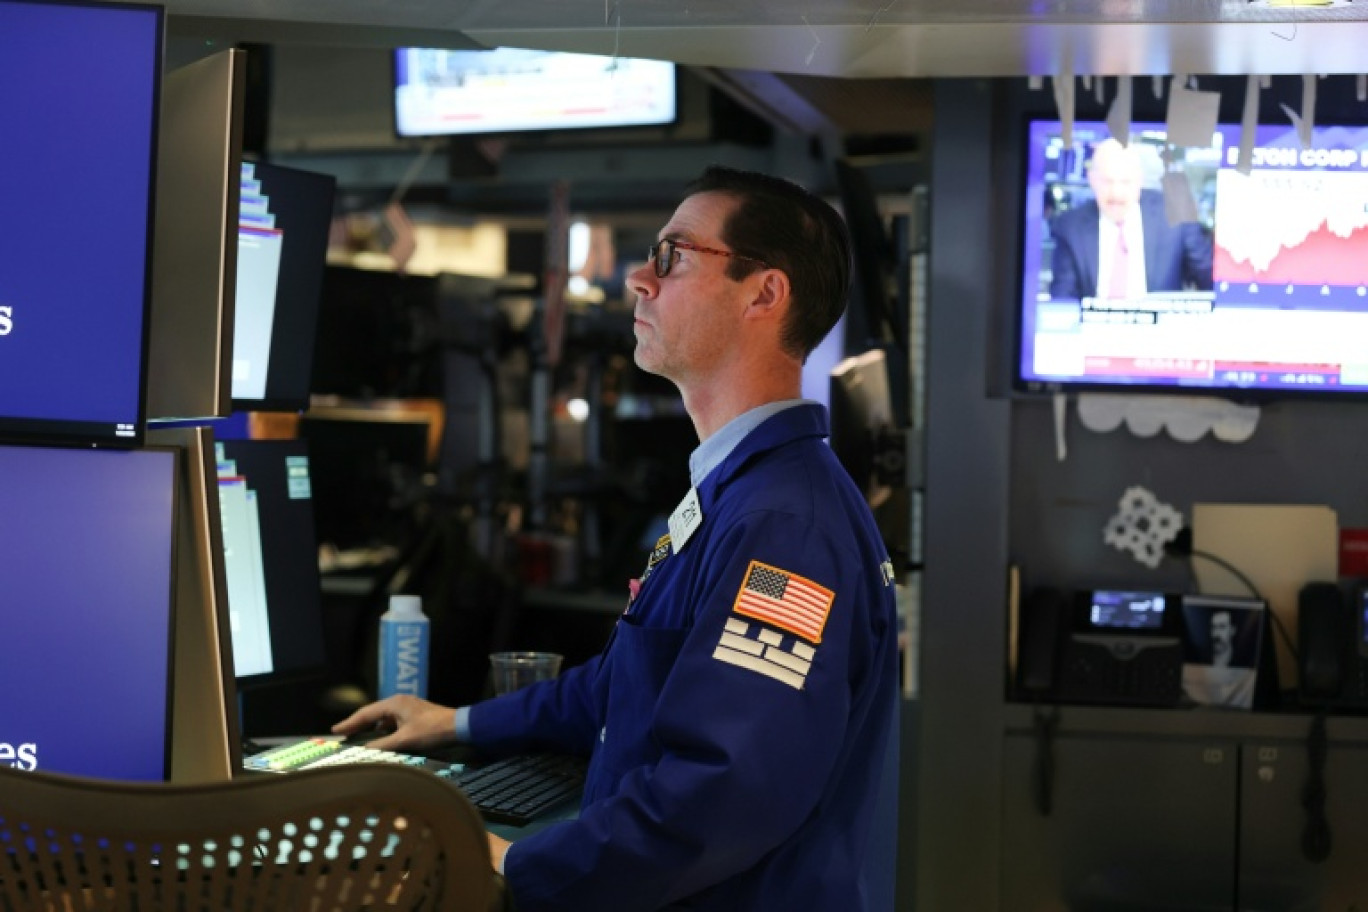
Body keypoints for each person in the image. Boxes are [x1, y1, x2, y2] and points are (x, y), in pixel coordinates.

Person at [334, 165, 902, 911]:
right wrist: (457, 721)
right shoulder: (737, 493)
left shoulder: (783, 529)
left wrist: (518, 859)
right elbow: (625, 682)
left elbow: (724, 794)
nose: (639, 278)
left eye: (673, 255)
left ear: (764, 292)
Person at [1049, 137, 1213, 301]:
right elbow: (1063, 302)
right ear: (1092, 180)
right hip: (1094, 325)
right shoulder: (1070, 226)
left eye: (1125, 182)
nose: (1116, 193)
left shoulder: (1176, 214)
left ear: (1139, 181)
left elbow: (1209, 278)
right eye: (1107, 182)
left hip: (1160, 325)